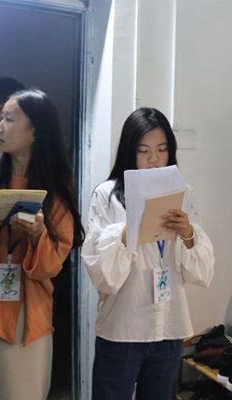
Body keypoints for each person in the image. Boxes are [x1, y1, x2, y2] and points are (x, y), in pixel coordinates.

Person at [82, 107, 215, 400]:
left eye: (162, 150)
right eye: (144, 151)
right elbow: (101, 273)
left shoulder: (183, 193)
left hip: (169, 327)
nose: (154, 159)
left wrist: (188, 233)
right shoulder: (107, 195)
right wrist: (128, 230)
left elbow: (202, 271)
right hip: (123, 329)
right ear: (130, 152)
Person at [0, 88, 84, 399]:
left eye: (9, 119)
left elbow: (51, 266)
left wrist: (38, 233)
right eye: (1, 117)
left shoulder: (56, 192)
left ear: (34, 132)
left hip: (31, 321)